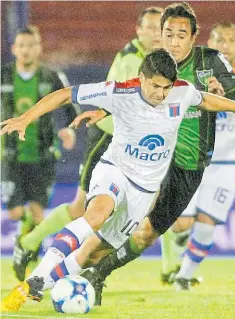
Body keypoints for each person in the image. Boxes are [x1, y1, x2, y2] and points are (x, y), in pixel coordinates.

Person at [1, 47, 235, 312]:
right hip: (115, 170)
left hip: (143, 191)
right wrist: (26, 118)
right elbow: (65, 95)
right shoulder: (119, 92)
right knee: (97, 214)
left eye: (166, 87)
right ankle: (36, 278)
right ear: (142, 78)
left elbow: (204, 99)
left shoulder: (180, 92)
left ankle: (37, 285)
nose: (161, 93)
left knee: (97, 252)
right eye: (155, 86)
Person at [58, 2, 235, 305]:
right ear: (160, 35)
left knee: (146, 235)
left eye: (181, 35)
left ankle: (97, 274)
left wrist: (222, 94)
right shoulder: (155, 63)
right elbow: (131, 90)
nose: (173, 41)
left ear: (194, 37)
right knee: (112, 226)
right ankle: (64, 273)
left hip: (189, 164)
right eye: (168, 33)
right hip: (151, 159)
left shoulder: (210, 61)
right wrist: (104, 108)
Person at [10, 6, 164, 282]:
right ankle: (32, 243)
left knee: (110, 211)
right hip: (107, 138)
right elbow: (127, 102)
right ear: (139, 30)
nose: (156, 33)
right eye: (150, 27)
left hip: (127, 145)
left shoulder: (155, 61)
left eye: (159, 28)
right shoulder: (133, 60)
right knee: (82, 208)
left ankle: (56, 255)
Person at [169, 21, 235, 290]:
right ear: (209, 43)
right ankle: (178, 246)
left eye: (230, 40)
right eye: (219, 40)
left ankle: (184, 276)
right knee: (180, 224)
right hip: (191, 156)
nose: (224, 45)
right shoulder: (189, 74)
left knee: (207, 221)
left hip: (226, 162)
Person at [1, 26, 78, 280]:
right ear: (14, 49)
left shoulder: (52, 76)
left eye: (30, 45)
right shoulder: (3, 76)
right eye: (21, 45)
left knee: (37, 213)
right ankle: (25, 239)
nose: (25, 50)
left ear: (39, 48)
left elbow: (68, 105)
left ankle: (26, 247)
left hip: (43, 155)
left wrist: (69, 130)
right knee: (13, 212)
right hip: (10, 155)